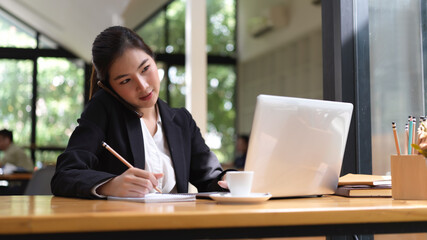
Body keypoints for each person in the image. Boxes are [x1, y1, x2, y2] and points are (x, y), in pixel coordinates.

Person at [51, 26, 230, 199]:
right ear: (109, 88)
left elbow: (210, 178)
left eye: (145, 69)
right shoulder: (103, 110)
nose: (143, 86)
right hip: (127, 226)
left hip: (177, 223)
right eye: (126, 80)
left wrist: (227, 180)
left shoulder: (182, 120)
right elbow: (65, 175)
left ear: (153, 58)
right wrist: (110, 185)